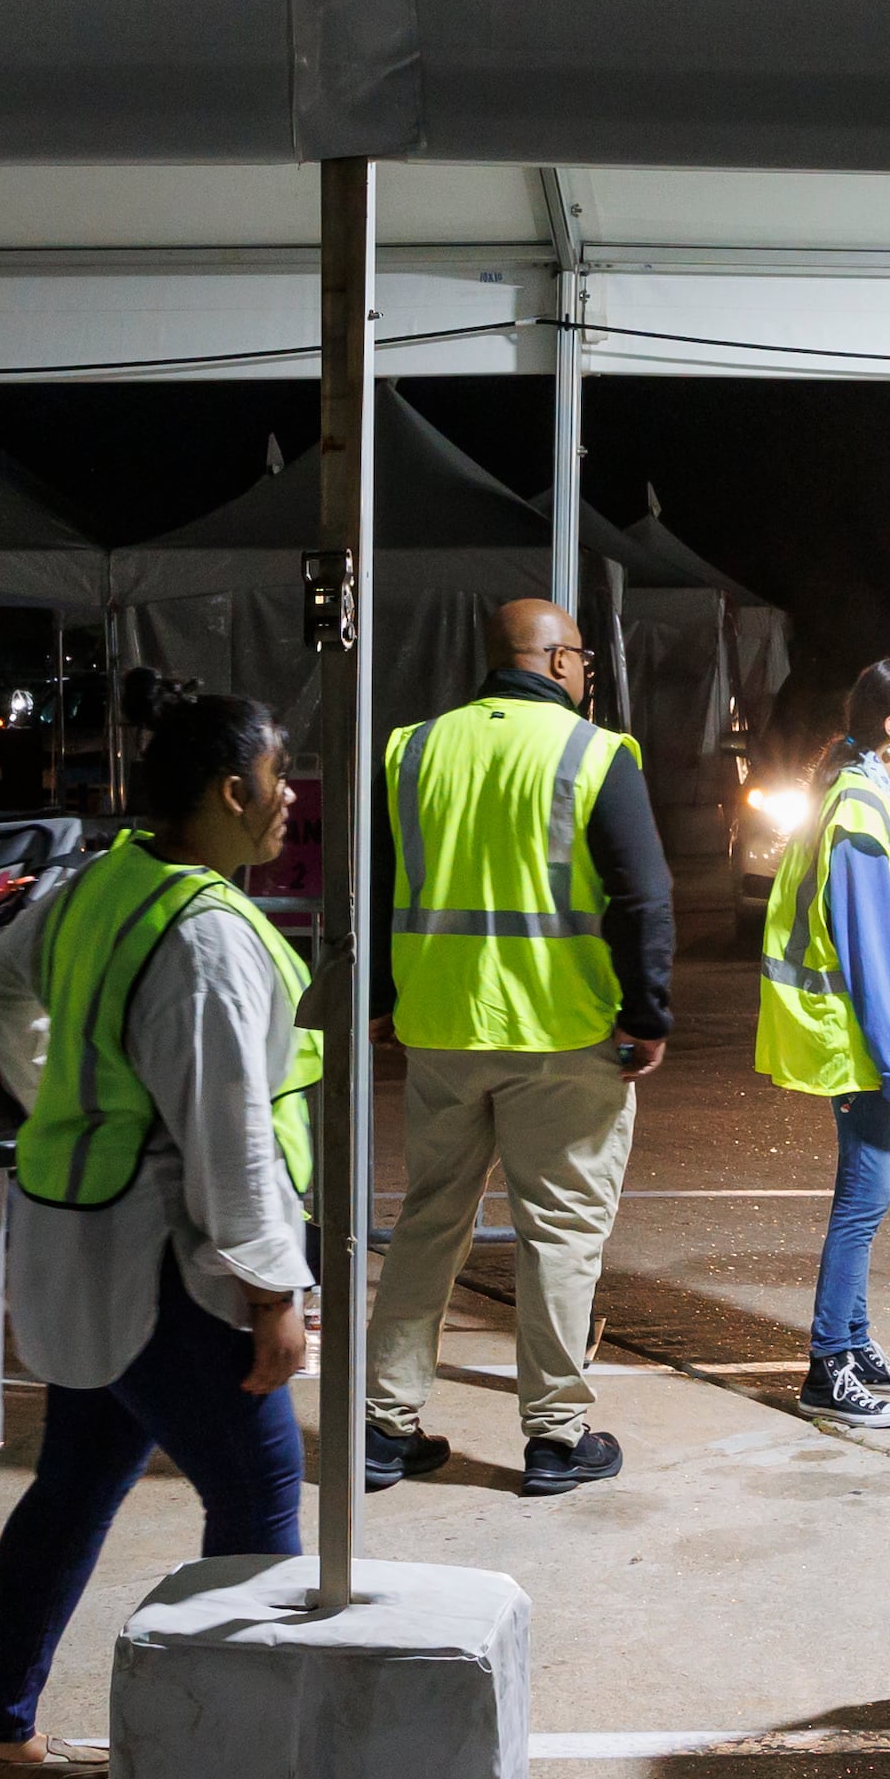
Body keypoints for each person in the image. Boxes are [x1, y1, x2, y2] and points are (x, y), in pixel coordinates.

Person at [0, 691, 321, 1779]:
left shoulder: (101, 880)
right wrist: (272, 1292)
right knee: (259, 1495)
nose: (289, 799)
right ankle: (230, 1775)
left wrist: (55, 1094)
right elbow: (229, 1134)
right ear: (231, 791)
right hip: (165, 1273)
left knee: (73, 1485)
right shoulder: (205, 936)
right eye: (278, 777)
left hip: (83, 1251)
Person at [365, 596, 679, 1498]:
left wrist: (384, 998)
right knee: (561, 1231)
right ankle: (554, 1436)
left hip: (441, 1028)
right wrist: (647, 1016)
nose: (586, 673)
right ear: (558, 661)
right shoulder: (594, 752)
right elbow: (644, 896)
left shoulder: (413, 749)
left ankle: (384, 1428)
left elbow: (380, 881)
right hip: (563, 1033)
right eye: (582, 658)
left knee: (429, 1221)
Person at [759, 656, 890, 1426]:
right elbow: (872, 954)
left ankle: (855, 1342)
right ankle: (828, 1365)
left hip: (877, 1041)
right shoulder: (863, 810)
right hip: (864, 1045)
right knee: (863, 1199)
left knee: (866, 1195)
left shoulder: (877, 794)